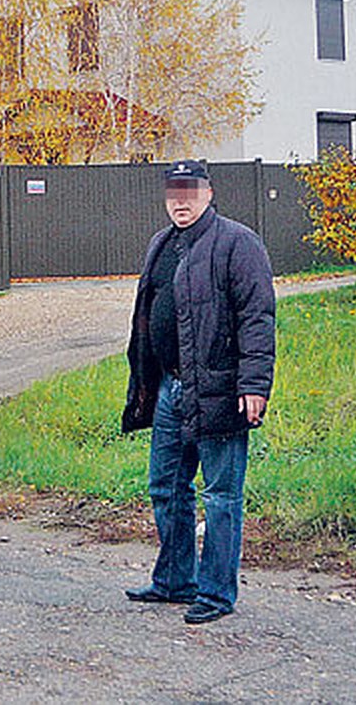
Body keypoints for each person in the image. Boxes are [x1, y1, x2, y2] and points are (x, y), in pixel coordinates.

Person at [122, 160, 275, 624]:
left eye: (190, 192)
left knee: (221, 495)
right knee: (166, 487)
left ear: (209, 193)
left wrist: (253, 385)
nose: (181, 201)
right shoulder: (161, 244)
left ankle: (215, 593)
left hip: (221, 390)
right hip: (170, 386)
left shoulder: (237, 242)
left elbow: (257, 318)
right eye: (173, 193)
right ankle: (174, 580)